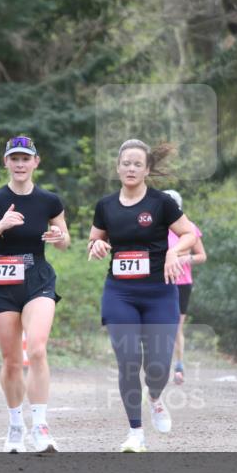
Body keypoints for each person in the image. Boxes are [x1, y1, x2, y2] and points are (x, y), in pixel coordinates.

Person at [88, 140, 198, 452]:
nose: (131, 168)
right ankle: (135, 432)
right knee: (128, 360)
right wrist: (95, 246)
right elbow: (95, 239)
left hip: (160, 292)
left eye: (138, 164)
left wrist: (174, 251)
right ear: (117, 167)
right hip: (120, 293)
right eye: (126, 163)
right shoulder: (106, 205)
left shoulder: (162, 202)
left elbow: (189, 233)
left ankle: (155, 398)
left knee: (159, 367)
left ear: (147, 169)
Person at [0, 135, 70, 453]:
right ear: (6, 162)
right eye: (15, 158)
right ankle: (15, 426)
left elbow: (65, 240)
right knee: (12, 361)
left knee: (36, 350)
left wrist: (58, 236)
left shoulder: (49, 200)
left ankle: (40, 427)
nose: (21, 164)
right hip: (4, 283)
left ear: (36, 162)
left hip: (38, 278)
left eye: (26, 158)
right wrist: (0, 226)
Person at [162, 190, 206, 385]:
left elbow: (201, 256)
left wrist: (184, 258)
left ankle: (178, 365)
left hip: (182, 283)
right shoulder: (156, 228)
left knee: (175, 326)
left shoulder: (189, 228)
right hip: (160, 281)